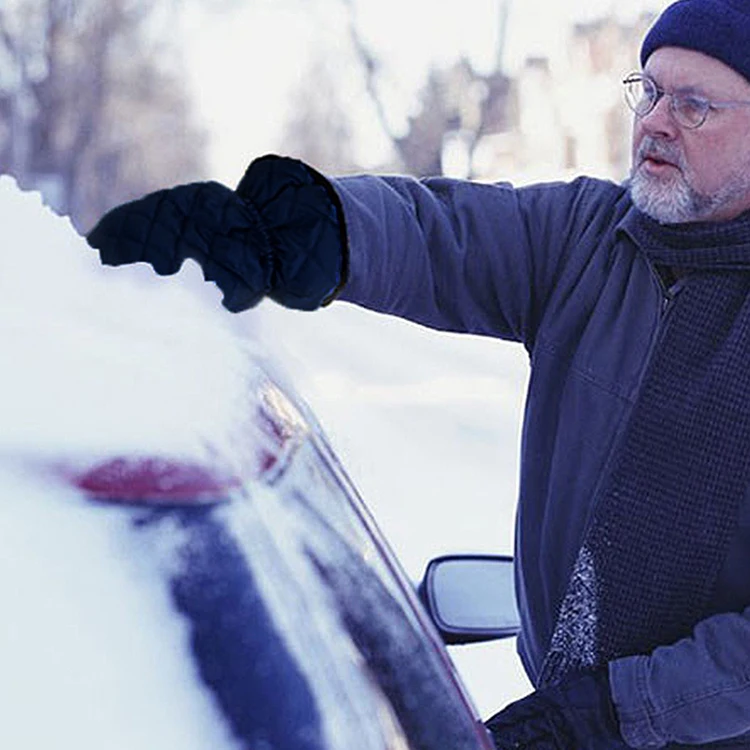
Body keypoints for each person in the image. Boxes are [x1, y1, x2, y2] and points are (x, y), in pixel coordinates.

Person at [87, 0, 750, 747]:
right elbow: (443, 233)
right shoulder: (589, 241)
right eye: (650, 91)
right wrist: (294, 232)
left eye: (694, 105)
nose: (656, 121)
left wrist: (614, 712)